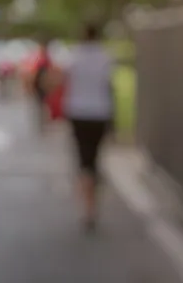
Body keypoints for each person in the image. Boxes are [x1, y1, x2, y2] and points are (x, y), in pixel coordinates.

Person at [60, 22, 117, 232]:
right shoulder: (105, 56)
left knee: (83, 159)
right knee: (94, 157)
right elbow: (109, 86)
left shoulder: (73, 56)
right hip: (100, 112)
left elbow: (63, 82)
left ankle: (88, 206)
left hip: (78, 112)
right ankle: (92, 200)